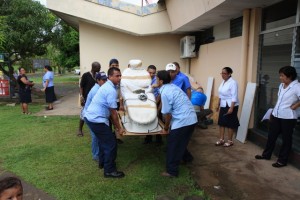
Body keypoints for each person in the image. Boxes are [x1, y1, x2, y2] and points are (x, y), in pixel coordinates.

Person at [255, 66, 300, 168]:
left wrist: (295, 106)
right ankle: (266, 155)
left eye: (282, 76)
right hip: (276, 115)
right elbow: (279, 100)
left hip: (288, 117)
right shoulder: (281, 85)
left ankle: (282, 160)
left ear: (290, 76)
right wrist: (273, 112)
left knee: (286, 139)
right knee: (271, 136)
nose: (280, 77)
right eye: (280, 75)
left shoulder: (297, 87)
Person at [84, 67, 125, 178]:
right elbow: (113, 113)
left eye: (120, 75)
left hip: (92, 118)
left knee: (103, 142)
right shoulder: (110, 90)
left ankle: (102, 162)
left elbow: (112, 112)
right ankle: (109, 171)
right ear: (110, 76)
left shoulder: (107, 86)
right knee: (111, 144)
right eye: (117, 76)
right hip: (96, 120)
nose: (119, 78)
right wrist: (119, 128)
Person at [157, 70, 197, 177]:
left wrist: (165, 129)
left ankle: (172, 171)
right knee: (180, 140)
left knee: (173, 145)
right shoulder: (173, 87)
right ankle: (188, 158)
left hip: (183, 120)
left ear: (160, 81)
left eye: (157, 79)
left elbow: (168, 115)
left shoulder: (165, 92)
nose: (156, 81)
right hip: (191, 118)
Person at [83, 72, 107, 162]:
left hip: (92, 115)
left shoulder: (100, 88)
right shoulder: (97, 90)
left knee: (97, 135)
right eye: (103, 80)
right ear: (98, 80)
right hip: (91, 116)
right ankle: (96, 155)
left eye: (106, 79)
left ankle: (98, 153)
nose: (105, 81)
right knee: (95, 136)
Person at [215, 67, 240, 147]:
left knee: (230, 123)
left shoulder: (233, 82)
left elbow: (234, 96)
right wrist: (218, 104)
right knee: (222, 122)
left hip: (231, 105)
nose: (222, 75)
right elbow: (220, 94)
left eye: (224, 73)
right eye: (221, 73)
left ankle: (230, 141)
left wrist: (231, 108)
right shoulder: (223, 82)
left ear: (229, 74)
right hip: (223, 104)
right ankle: (221, 139)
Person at [78, 62, 101, 136]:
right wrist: (81, 97)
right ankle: (80, 130)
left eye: (99, 68)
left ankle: (94, 129)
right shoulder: (86, 75)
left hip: (96, 99)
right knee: (83, 114)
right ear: (93, 67)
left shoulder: (98, 75)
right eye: (97, 68)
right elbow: (81, 86)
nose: (99, 70)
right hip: (86, 98)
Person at [143, 65, 163, 145]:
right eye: (150, 72)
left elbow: (159, 94)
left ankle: (159, 139)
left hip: (156, 103)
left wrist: (155, 104)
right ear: (146, 71)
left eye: (153, 73)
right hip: (146, 103)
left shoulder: (156, 80)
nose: (151, 74)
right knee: (148, 121)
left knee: (158, 120)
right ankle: (148, 138)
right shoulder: (143, 80)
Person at [109, 58, 123, 144]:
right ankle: (110, 136)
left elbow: (121, 91)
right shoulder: (108, 77)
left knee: (117, 119)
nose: (114, 66)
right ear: (109, 66)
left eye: (116, 65)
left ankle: (117, 137)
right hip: (110, 102)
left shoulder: (120, 77)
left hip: (117, 101)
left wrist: (121, 104)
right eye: (113, 65)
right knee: (110, 119)